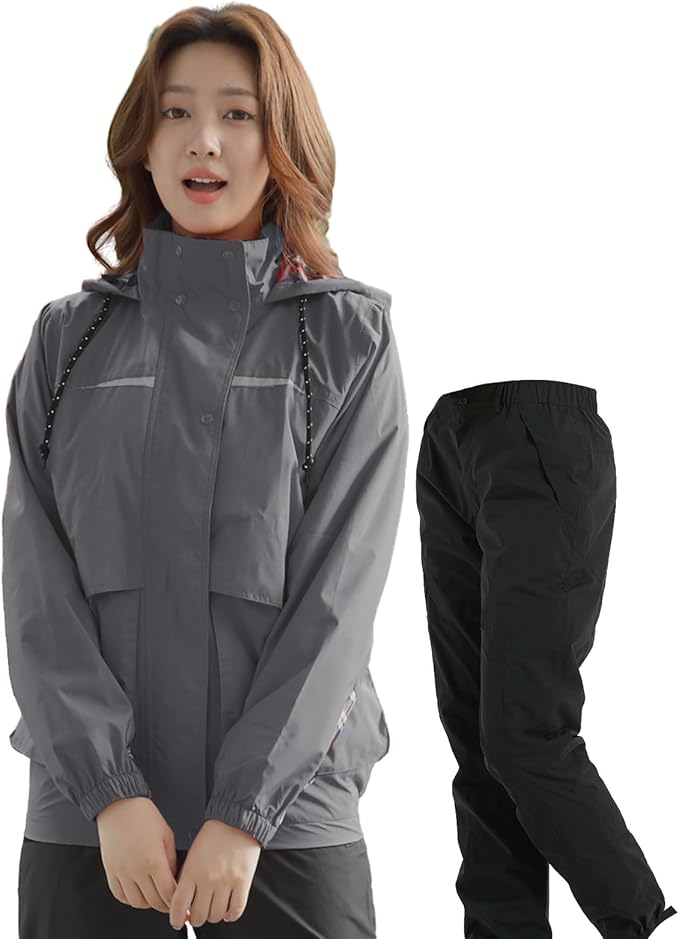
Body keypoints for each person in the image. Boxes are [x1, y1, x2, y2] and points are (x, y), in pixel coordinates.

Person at [3, 5, 408, 937]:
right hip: (90, 820)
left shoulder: (344, 337)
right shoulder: (68, 339)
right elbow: (34, 587)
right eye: (176, 112)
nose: (205, 142)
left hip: (288, 819)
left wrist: (244, 811)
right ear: (141, 143)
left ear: (280, 140)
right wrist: (109, 790)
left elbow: (338, 596)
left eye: (237, 114)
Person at [416, 380, 677, 938]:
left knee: (524, 735)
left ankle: (644, 926)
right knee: (475, 740)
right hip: (447, 433)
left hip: (541, 425)